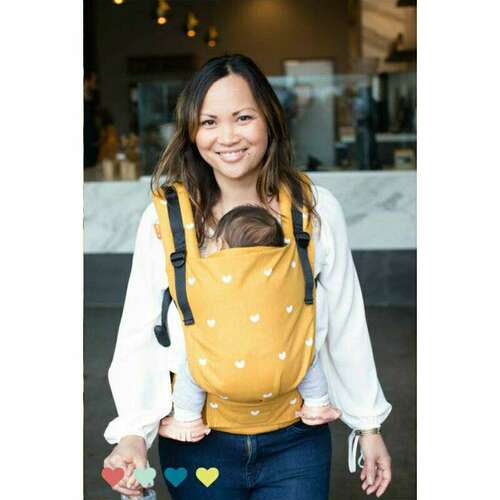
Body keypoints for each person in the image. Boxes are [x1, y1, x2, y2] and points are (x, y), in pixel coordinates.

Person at [103, 54, 392, 499]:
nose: (227, 137)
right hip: (195, 443)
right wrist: (132, 434)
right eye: (209, 122)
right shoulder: (166, 218)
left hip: (296, 441)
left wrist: (367, 425)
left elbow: (345, 320)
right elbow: (141, 331)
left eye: (243, 117)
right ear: (192, 131)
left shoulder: (314, 208)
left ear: (270, 120)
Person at [161, 204, 342, 442]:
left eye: (213, 241)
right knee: (306, 357)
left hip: (220, 372)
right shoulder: (287, 277)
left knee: (192, 370)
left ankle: (187, 420)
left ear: (221, 245)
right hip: (283, 366)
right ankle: (318, 404)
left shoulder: (210, 279)